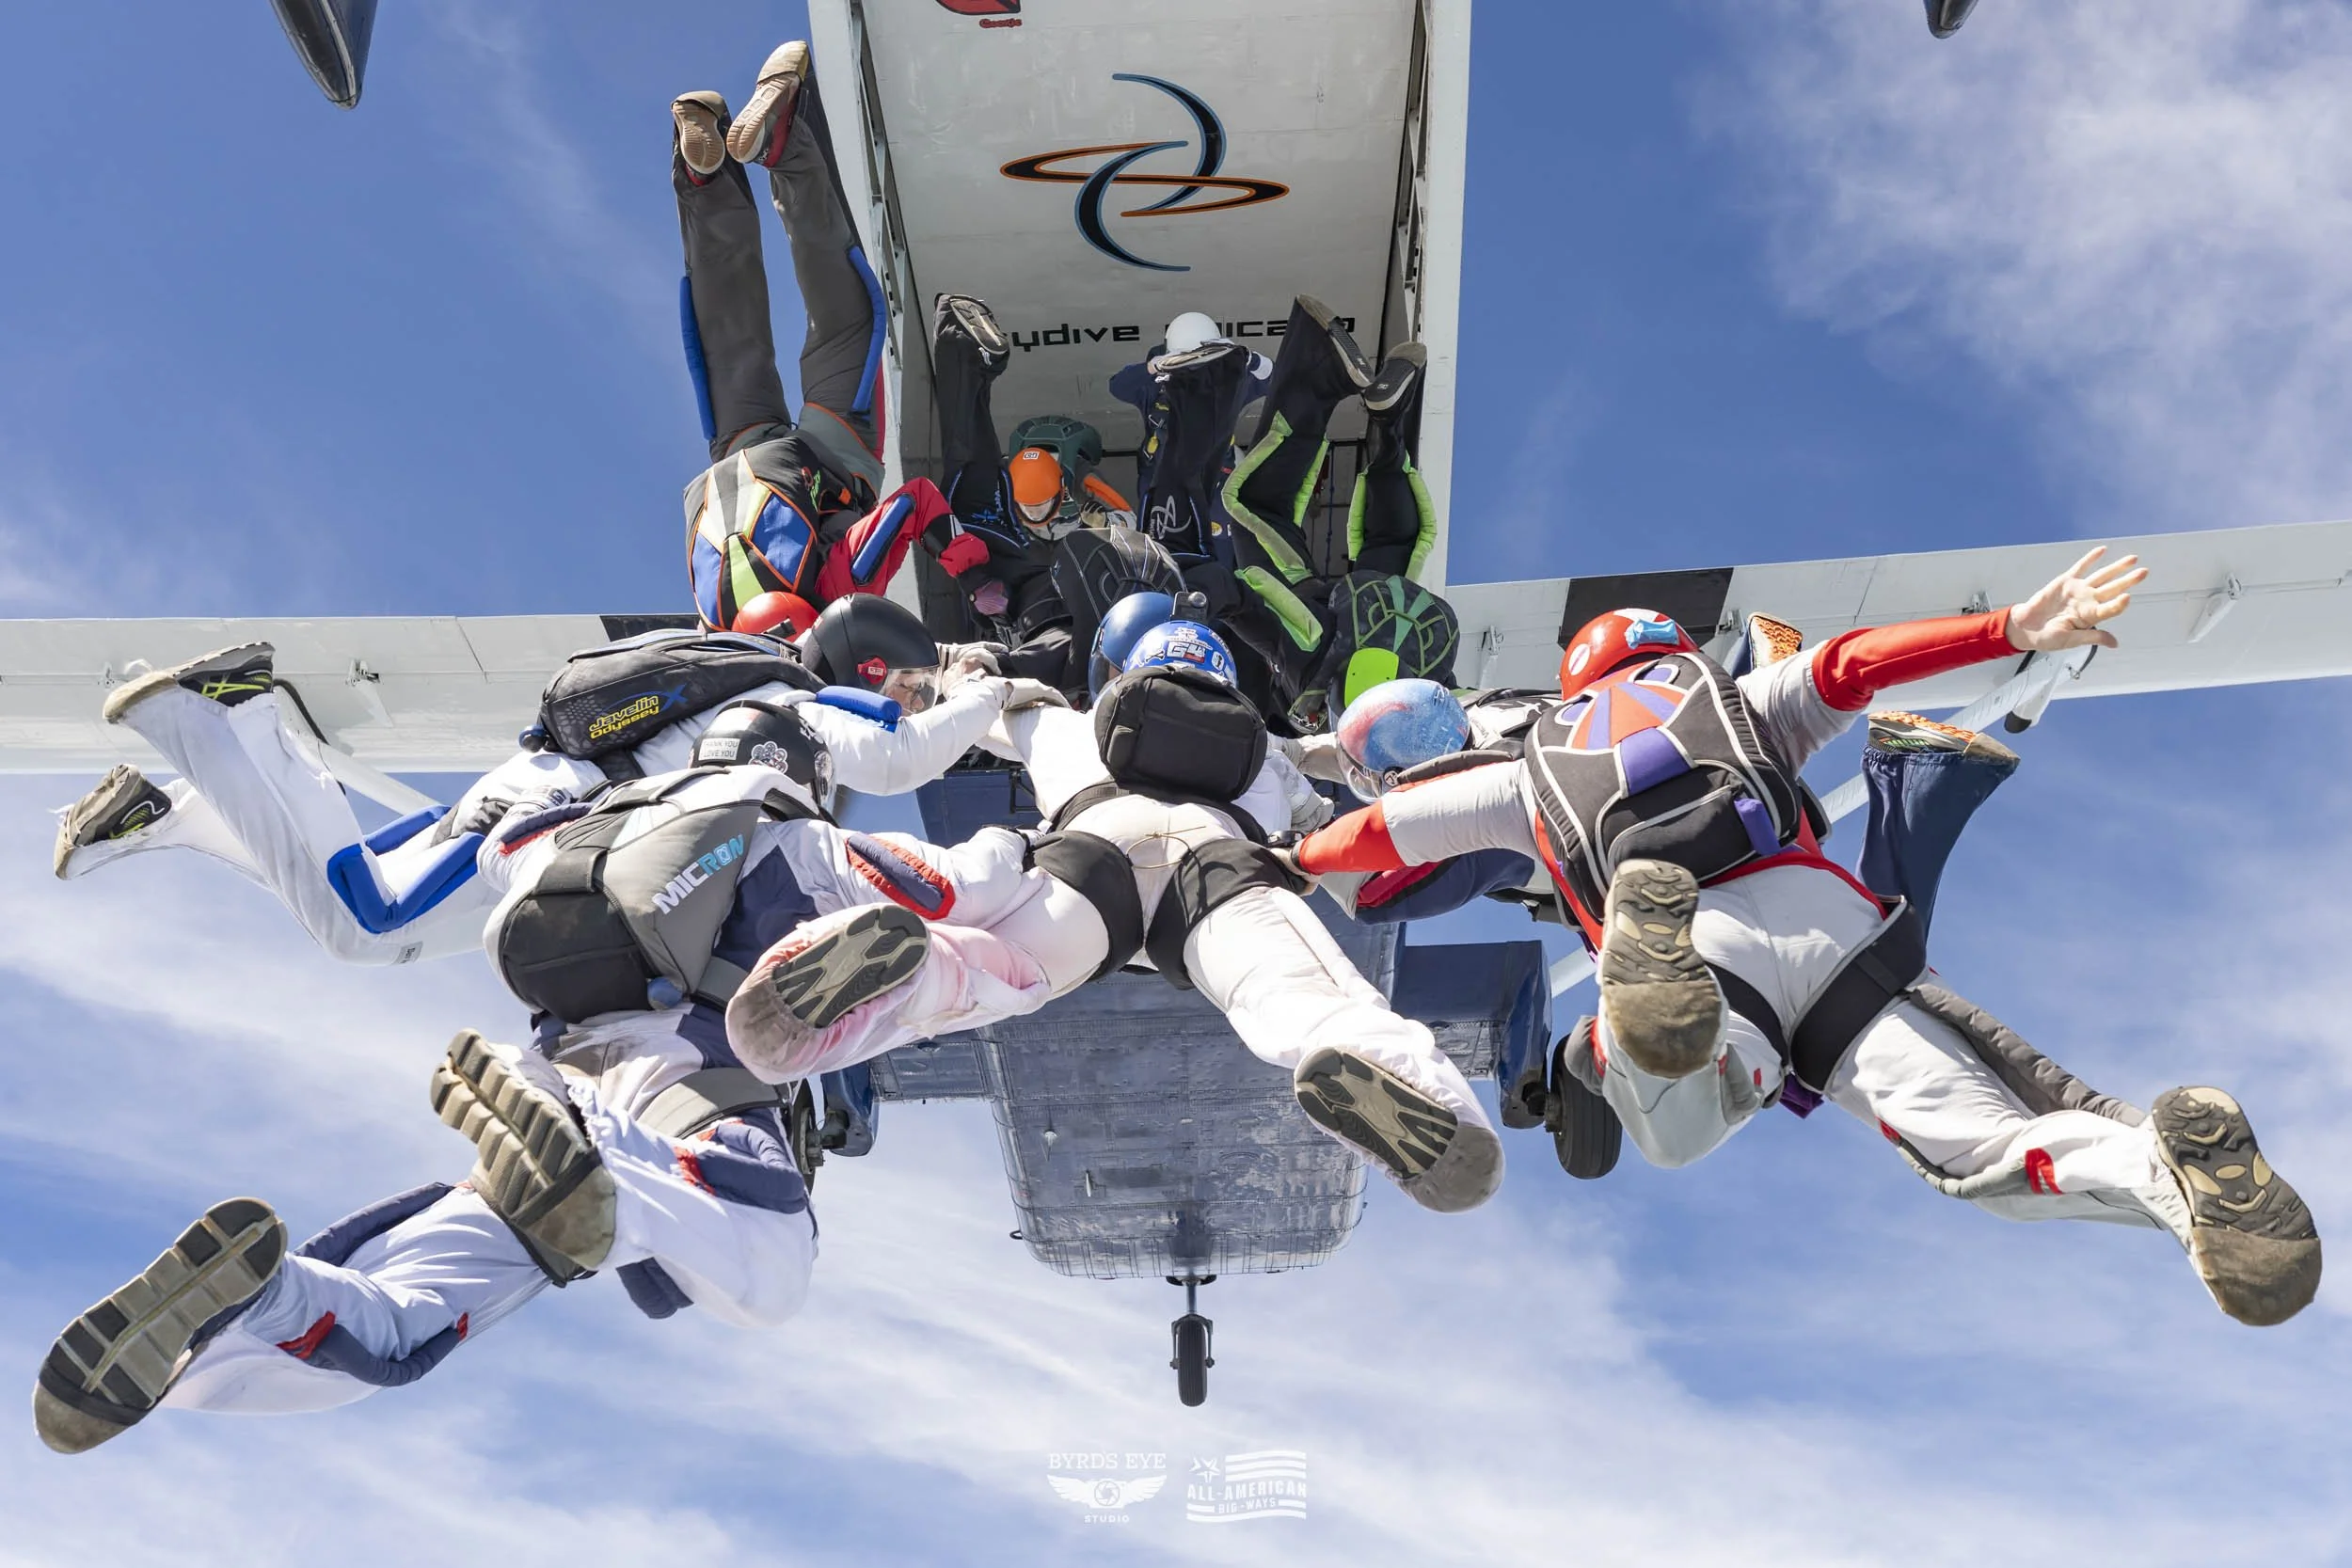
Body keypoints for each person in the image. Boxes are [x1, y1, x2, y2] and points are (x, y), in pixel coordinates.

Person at [32, 677, 1082, 1455]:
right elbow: (956, 887)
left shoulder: (571, 818)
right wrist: (1041, 853)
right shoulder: (792, 830)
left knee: (407, 1315)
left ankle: (237, 1319)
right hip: (667, 1089)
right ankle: (592, 1177)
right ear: (803, 760)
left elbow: (425, 872)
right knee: (765, 1261)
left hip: (572, 1066)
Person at [1285, 552, 2323, 1325]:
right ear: (1671, 656)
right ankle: (2165, 1170)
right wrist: (2015, 624)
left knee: (1677, 1123)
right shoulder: (1736, 699)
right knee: (1994, 1147)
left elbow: (1367, 836)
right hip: (1832, 936)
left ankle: (1637, 1013)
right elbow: (1856, 662)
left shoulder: (1522, 770)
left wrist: (1279, 858)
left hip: (1705, 947)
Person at [744, 616, 1509, 1213]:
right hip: (1220, 863)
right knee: (1304, 998)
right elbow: (1321, 834)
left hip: (1087, 857)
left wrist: (961, 668)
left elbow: (988, 709)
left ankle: (903, 969)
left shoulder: (1074, 723)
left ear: (1125, 669)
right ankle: (1402, 1082)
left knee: (991, 971)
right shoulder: (1266, 755)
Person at [49, 599, 997, 966]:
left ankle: (166, 818)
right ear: (868, 670)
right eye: (905, 684)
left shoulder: (743, 679)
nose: (913, 699)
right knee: (360, 925)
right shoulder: (809, 707)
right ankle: (215, 716)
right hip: (543, 820)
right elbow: (901, 757)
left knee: (359, 907)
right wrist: (993, 695)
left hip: (531, 798)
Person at [672, 42, 940, 636]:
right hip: (739, 462)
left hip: (834, 465)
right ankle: (704, 178)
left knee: (846, 315)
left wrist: (968, 566)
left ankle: (786, 136)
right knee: (728, 332)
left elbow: (912, 503)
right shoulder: (719, 633)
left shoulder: (835, 603)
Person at [1208, 297, 1451, 730]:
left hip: (1389, 627)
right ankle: (1317, 367)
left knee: (1390, 544)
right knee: (1255, 509)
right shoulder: (1307, 686)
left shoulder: (1425, 690)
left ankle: (1392, 418)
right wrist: (1189, 594)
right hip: (1313, 645)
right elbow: (1241, 607)